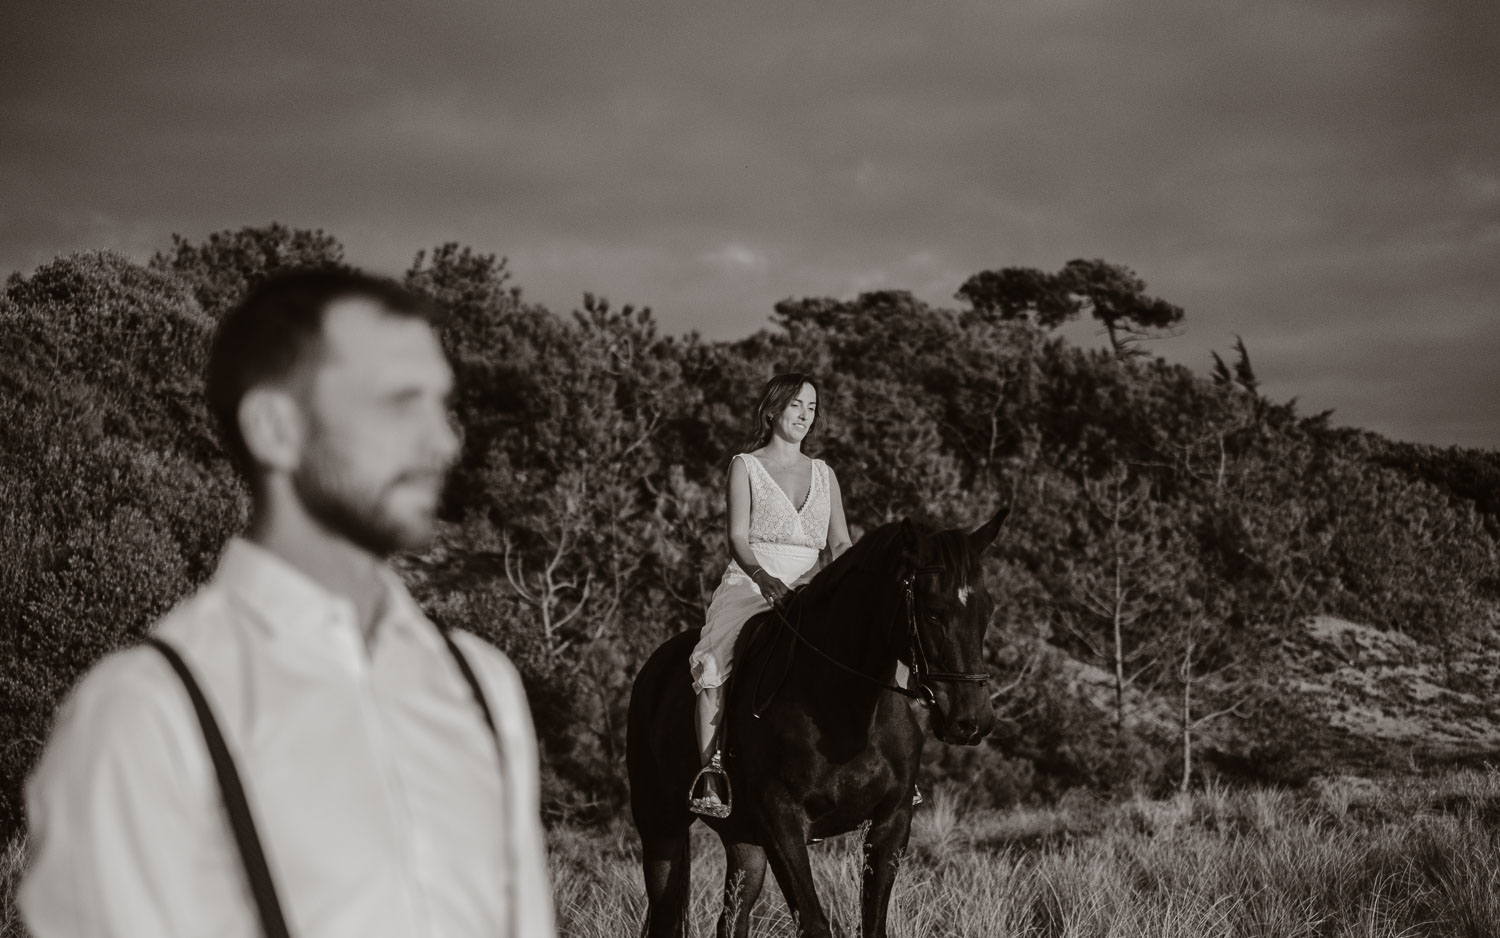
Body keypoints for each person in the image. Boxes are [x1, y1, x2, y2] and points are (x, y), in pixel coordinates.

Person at [20, 268, 556, 938]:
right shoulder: (145, 713)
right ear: (276, 428)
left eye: (441, 405)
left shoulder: (483, 685)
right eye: (398, 403)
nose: (444, 442)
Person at [686, 373, 853, 817]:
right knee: (715, 662)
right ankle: (712, 773)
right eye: (797, 405)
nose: (805, 415)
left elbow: (840, 545)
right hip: (754, 579)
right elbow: (737, 538)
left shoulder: (825, 473)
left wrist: (844, 586)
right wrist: (762, 577)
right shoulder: (745, 465)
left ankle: (893, 768)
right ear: (773, 409)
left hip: (812, 584)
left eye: (812, 407)